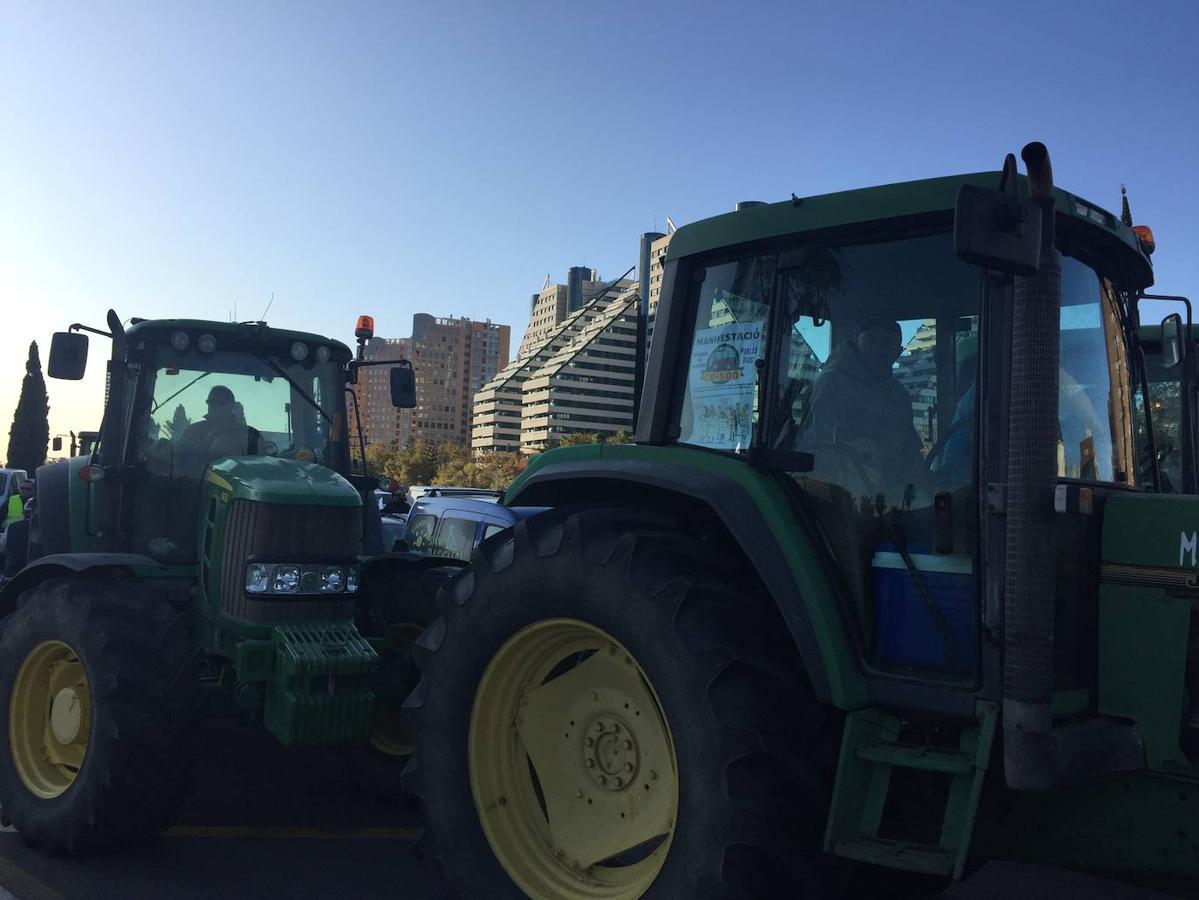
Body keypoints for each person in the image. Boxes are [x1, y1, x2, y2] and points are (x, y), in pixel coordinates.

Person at [801, 318, 926, 501]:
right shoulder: (831, 383)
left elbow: (910, 450)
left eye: (885, 344)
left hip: (890, 488)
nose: (877, 350)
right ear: (858, 345)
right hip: (840, 491)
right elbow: (823, 449)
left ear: (897, 352)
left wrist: (923, 480)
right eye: (870, 343)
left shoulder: (899, 396)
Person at [183, 385, 260, 454]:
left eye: (219, 403)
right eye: (210, 402)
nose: (213, 406)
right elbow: (180, 458)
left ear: (231, 405)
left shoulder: (250, 435)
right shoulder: (194, 431)